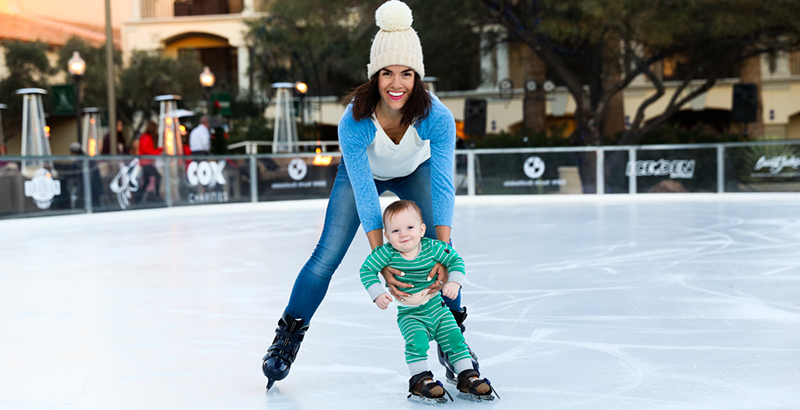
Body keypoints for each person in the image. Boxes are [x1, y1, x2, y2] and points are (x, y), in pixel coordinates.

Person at [262, 0, 478, 390]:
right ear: (375, 76)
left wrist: (442, 255)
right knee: (325, 255)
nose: (397, 84)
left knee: (437, 255)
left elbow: (444, 184)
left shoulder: (437, 117)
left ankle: (454, 340)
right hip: (362, 175)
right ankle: (288, 335)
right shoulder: (355, 120)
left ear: (418, 76)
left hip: (417, 172)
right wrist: (382, 261)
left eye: (407, 74)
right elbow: (365, 194)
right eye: (388, 73)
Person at [361, 200, 497, 403]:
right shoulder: (386, 254)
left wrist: (454, 283)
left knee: (455, 338)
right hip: (411, 314)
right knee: (417, 343)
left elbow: (456, 260)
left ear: (422, 229)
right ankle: (420, 380)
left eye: (410, 227)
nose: (404, 234)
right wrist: (377, 293)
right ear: (387, 236)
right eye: (396, 231)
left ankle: (468, 376)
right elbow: (366, 270)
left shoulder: (433, 248)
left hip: (438, 308)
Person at [135, 121, 163, 202]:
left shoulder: (145, 137)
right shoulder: (146, 138)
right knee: (157, 176)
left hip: (146, 162)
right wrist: (159, 152)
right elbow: (147, 150)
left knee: (146, 181)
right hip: (146, 162)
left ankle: (139, 198)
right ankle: (157, 195)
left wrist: (159, 150)